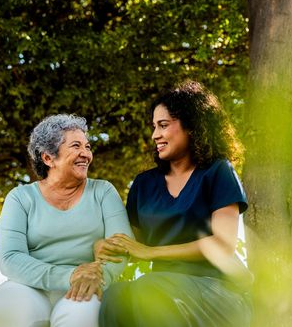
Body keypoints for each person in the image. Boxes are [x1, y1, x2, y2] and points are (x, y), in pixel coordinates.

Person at [96, 80, 252, 327]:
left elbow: (223, 245)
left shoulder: (217, 172)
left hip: (216, 290)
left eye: (163, 125)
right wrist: (104, 248)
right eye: (154, 126)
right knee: (116, 297)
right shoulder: (144, 184)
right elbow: (131, 245)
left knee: (149, 289)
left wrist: (150, 252)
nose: (154, 135)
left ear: (192, 126)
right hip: (160, 289)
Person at [0, 114, 133, 327]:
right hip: (28, 286)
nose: (86, 154)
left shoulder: (103, 192)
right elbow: (11, 258)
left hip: (88, 284)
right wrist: (69, 275)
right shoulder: (20, 197)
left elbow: (120, 248)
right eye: (76, 146)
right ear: (48, 158)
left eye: (88, 146)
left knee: (82, 318)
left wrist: (99, 277)